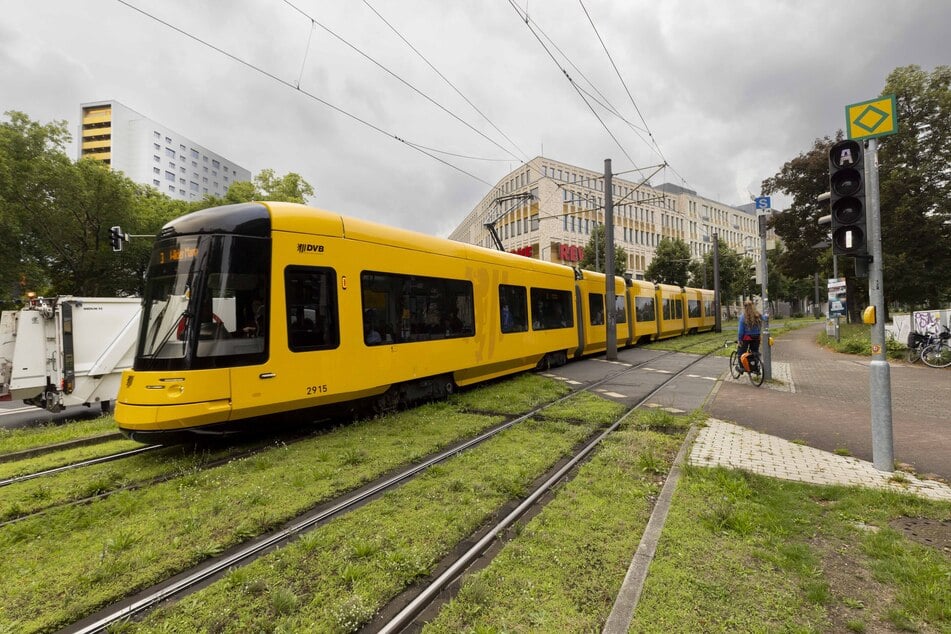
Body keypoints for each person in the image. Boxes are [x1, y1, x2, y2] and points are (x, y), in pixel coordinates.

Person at [736, 300, 762, 369]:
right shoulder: (757, 315)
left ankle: (741, 367)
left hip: (746, 338)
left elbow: (741, 331)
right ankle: (755, 368)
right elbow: (764, 318)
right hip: (756, 337)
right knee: (755, 353)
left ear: (744, 307)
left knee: (741, 352)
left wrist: (739, 340)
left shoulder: (743, 317)